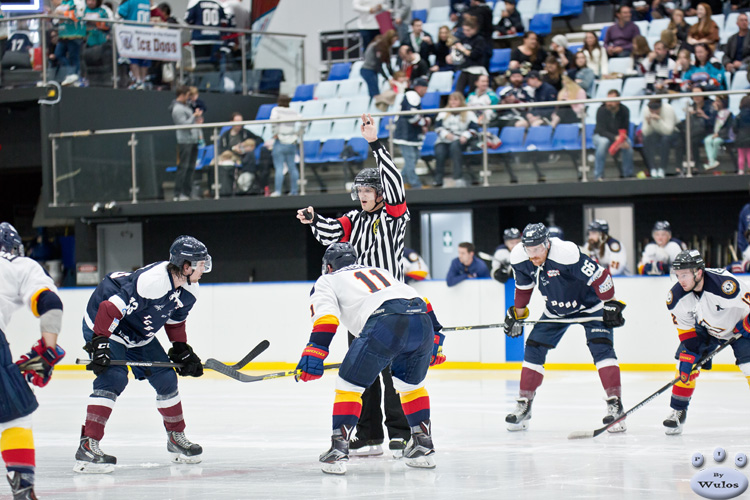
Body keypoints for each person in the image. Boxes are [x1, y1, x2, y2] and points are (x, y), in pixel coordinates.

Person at [296, 114, 412, 459]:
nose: (362, 196)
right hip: (359, 309)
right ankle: (369, 431)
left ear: (380, 193)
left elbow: (395, 183)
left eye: (368, 190)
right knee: (362, 372)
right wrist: (314, 220)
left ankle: (401, 432)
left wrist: (375, 144)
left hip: (391, 307)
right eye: (359, 190)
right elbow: (331, 233)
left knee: (395, 372)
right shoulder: (354, 219)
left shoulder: (394, 215)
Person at [296, 243, 443, 474]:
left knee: (348, 385)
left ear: (329, 265)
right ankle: (423, 445)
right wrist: (436, 340)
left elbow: (327, 318)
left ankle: (338, 451)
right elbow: (421, 300)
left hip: (385, 322)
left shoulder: (327, 280)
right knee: (411, 386)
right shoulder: (379, 271)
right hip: (421, 320)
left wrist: (315, 352)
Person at [74, 235, 210, 473]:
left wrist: (181, 349)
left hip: (138, 331)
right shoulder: (152, 282)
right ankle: (87, 445)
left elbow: (175, 321)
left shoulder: (191, 290)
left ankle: (176, 438)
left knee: (167, 379)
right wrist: (99, 343)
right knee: (113, 377)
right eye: (201, 263)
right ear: (186, 266)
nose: (205, 268)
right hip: (107, 324)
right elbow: (108, 308)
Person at [503, 223, 628, 432]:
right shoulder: (519, 257)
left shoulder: (566, 253)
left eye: (537, 249)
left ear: (547, 243)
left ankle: (615, 405)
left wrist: (611, 304)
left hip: (590, 306)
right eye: (529, 249)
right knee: (533, 347)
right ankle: (525, 404)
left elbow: (601, 276)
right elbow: (524, 289)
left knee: (601, 347)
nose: (533, 255)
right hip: (556, 310)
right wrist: (517, 313)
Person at [0, 222, 65, 500]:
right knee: (16, 418)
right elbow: (49, 304)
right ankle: (23, 487)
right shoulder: (18, 265)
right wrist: (47, 352)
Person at [660, 249, 750, 435]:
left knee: (749, 365)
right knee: (684, 364)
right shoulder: (677, 297)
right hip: (707, 329)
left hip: (739, 328)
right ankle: (678, 410)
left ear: (698, 272)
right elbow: (686, 329)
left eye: (684, 275)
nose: (681, 280)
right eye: (678, 275)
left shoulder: (725, 285)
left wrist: (748, 323)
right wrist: (690, 353)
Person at [433, 91, 480, 188]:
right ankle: (438, 179)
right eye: (451, 100)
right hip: (444, 140)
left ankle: (457, 177)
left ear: (461, 101)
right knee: (440, 151)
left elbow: (474, 128)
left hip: (461, 140)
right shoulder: (443, 113)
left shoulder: (468, 113)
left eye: (455, 100)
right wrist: (445, 134)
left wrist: (465, 136)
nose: (453, 102)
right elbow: (437, 127)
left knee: (455, 147)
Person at [393, 78, 430, 188]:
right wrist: (425, 123)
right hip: (406, 133)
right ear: (420, 88)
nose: (426, 92)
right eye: (425, 89)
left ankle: (401, 181)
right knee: (410, 159)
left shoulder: (412, 96)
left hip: (411, 133)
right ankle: (415, 183)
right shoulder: (412, 95)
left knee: (414, 158)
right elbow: (412, 116)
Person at [169, 86, 203, 201]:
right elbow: (183, 125)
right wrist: (194, 116)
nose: (190, 98)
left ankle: (187, 193)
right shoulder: (177, 109)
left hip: (193, 140)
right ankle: (177, 194)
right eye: (188, 96)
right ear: (182, 95)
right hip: (185, 141)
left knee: (191, 168)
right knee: (183, 167)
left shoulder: (186, 107)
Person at [592, 89, 634, 181]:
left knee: (628, 144)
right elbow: (601, 130)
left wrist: (622, 139)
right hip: (600, 136)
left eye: (612, 101)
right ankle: (598, 176)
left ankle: (628, 175)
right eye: (608, 100)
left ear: (618, 101)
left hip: (618, 136)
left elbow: (625, 128)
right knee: (603, 142)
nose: (608, 103)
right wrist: (615, 138)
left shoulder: (625, 110)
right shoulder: (601, 110)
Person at [675, 86, 716, 174]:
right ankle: (678, 167)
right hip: (693, 130)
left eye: (699, 94)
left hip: (706, 130)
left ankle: (697, 166)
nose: (696, 97)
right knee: (680, 141)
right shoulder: (690, 106)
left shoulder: (710, 105)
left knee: (693, 141)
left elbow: (714, 122)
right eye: (694, 94)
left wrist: (704, 116)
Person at [269, 94, 303, 197]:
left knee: (279, 167)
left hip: (280, 141)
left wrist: (275, 133)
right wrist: (298, 133)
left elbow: (273, 122)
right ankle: (294, 191)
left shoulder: (276, 110)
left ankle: (278, 191)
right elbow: (303, 121)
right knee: (292, 167)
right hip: (292, 142)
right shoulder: (293, 112)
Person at [447, 18, 488, 95]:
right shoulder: (464, 39)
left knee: (472, 92)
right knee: (458, 91)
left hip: (476, 69)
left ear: (475, 29)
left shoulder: (480, 40)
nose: (465, 32)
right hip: (465, 68)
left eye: (468, 30)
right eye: (464, 30)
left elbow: (474, 55)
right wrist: (451, 55)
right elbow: (458, 50)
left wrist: (462, 49)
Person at [118, 0, 152, 89]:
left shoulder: (130, 2)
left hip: (133, 33)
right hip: (146, 34)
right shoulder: (147, 2)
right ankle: (143, 81)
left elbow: (119, 13)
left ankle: (138, 80)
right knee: (144, 59)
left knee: (133, 59)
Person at [54, 0, 87, 86]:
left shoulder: (78, 2)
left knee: (74, 56)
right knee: (58, 54)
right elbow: (55, 19)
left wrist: (63, 13)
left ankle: (76, 77)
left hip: (75, 34)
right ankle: (70, 73)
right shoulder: (63, 3)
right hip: (63, 34)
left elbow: (78, 15)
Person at [642, 99, 677, 178]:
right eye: (651, 110)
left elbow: (668, 131)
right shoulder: (646, 110)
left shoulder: (668, 109)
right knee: (646, 139)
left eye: (656, 110)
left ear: (660, 107)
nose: (653, 112)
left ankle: (662, 168)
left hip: (673, 132)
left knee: (665, 140)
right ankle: (652, 168)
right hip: (656, 132)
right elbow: (645, 132)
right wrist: (649, 123)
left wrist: (659, 119)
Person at [360, 30, 398, 98]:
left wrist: (393, 76)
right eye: (394, 40)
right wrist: (387, 78)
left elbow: (388, 64)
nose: (395, 42)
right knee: (375, 93)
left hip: (373, 70)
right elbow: (378, 65)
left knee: (375, 91)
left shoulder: (387, 47)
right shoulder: (379, 45)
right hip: (368, 69)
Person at [702, 95, 733, 170]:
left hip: (724, 135)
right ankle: (712, 161)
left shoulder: (728, 114)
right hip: (714, 134)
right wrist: (714, 112)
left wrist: (719, 134)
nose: (716, 103)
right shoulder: (714, 113)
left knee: (716, 142)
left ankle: (711, 161)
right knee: (707, 140)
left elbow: (728, 127)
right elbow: (711, 124)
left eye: (718, 101)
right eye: (715, 101)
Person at [734, 96, 750, 175]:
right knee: (749, 154)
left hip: (741, 136)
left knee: (741, 155)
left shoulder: (739, 115)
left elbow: (734, 127)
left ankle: (741, 170)